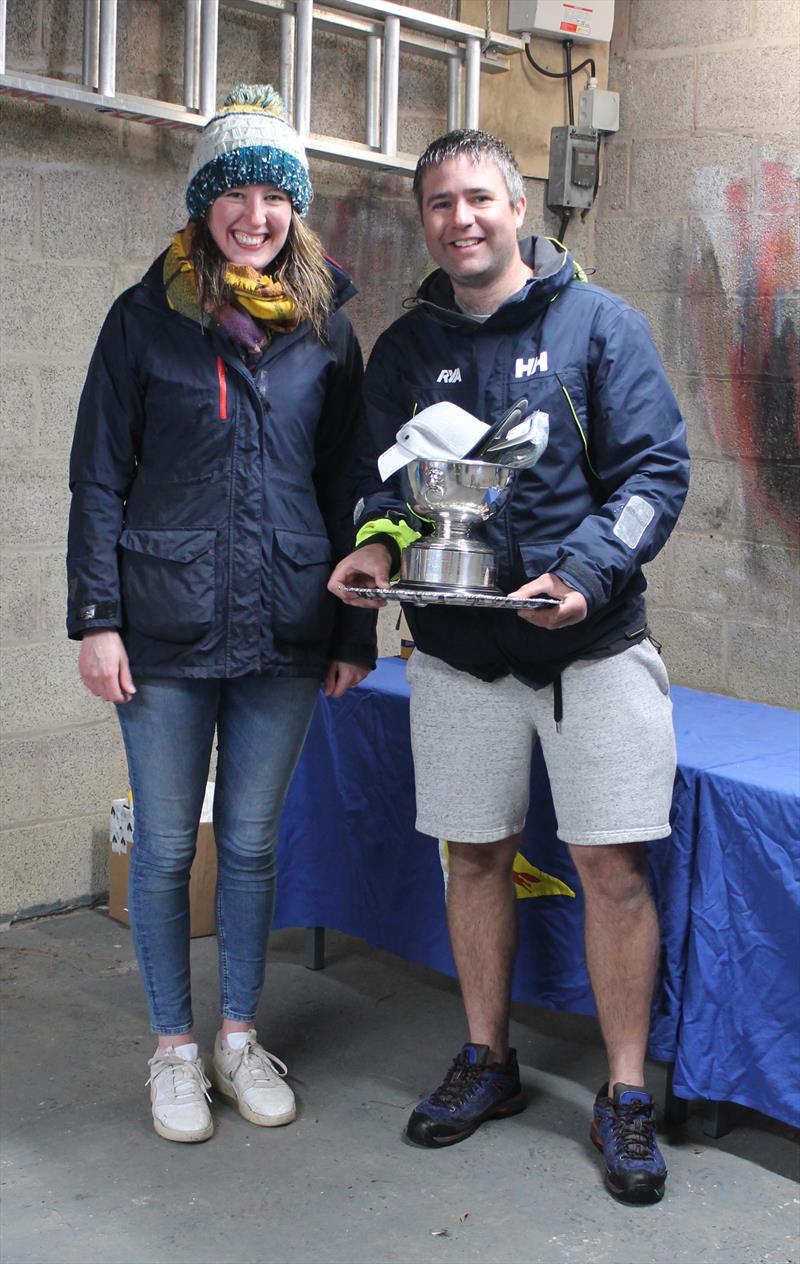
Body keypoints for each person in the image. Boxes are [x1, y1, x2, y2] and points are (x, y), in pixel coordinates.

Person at [329, 129, 689, 1204]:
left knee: (611, 872)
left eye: (477, 197)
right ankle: (488, 1060)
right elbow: (377, 484)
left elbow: (653, 471)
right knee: (472, 859)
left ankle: (624, 1091)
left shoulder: (599, 324)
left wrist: (583, 572)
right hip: (454, 657)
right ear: (424, 220)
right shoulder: (402, 349)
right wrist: (373, 549)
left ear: (515, 204)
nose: (459, 219)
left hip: (591, 650)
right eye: (438, 204)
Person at [67, 84, 376, 1144]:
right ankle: (172, 1050)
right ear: (203, 204)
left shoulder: (330, 328)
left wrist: (351, 631)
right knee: (164, 845)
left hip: (290, 620)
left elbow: (351, 489)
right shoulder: (144, 317)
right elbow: (98, 478)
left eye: (274, 193)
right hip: (160, 622)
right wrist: (94, 617)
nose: (255, 212)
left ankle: (239, 1037)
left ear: (297, 206)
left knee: (248, 842)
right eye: (234, 192)